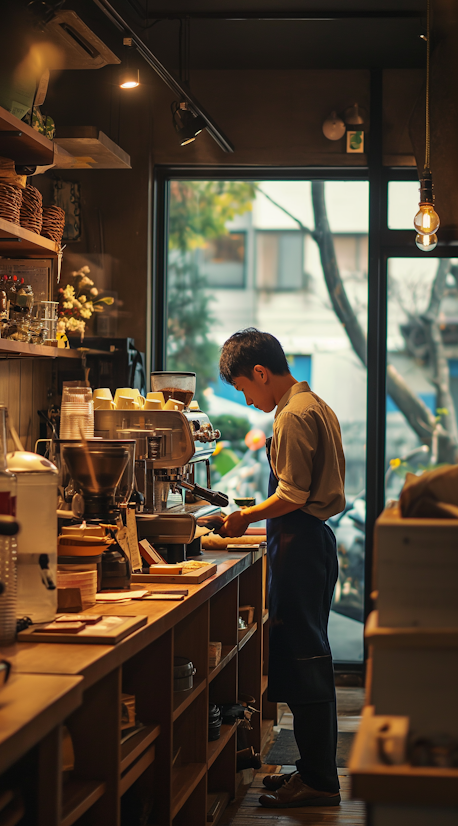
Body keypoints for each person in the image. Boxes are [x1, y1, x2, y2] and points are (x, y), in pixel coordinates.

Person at [218, 328, 345, 809]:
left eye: (243, 389)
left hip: (302, 545)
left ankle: (318, 782)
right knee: (308, 658)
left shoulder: (293, 415)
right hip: (310, 542)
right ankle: (313, 769)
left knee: (306, 662)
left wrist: (243, 516)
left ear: (260, 373)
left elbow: (292, 494)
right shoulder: (316, 406)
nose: (248, 401)